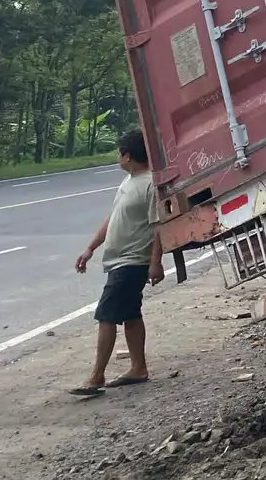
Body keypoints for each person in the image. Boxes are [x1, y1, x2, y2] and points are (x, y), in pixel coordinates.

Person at [70, 131, 163, 396]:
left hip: (132, 261)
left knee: (106, 315)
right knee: (131, 315)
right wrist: (90, 248)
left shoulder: (149, 184)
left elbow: (158, 228)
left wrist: (155, 262)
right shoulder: (128, 182)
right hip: (118, 260)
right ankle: (138, 368)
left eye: (119, 152)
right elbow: (113, 219)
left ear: (127, 155)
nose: (117, 157)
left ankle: (96, 375)